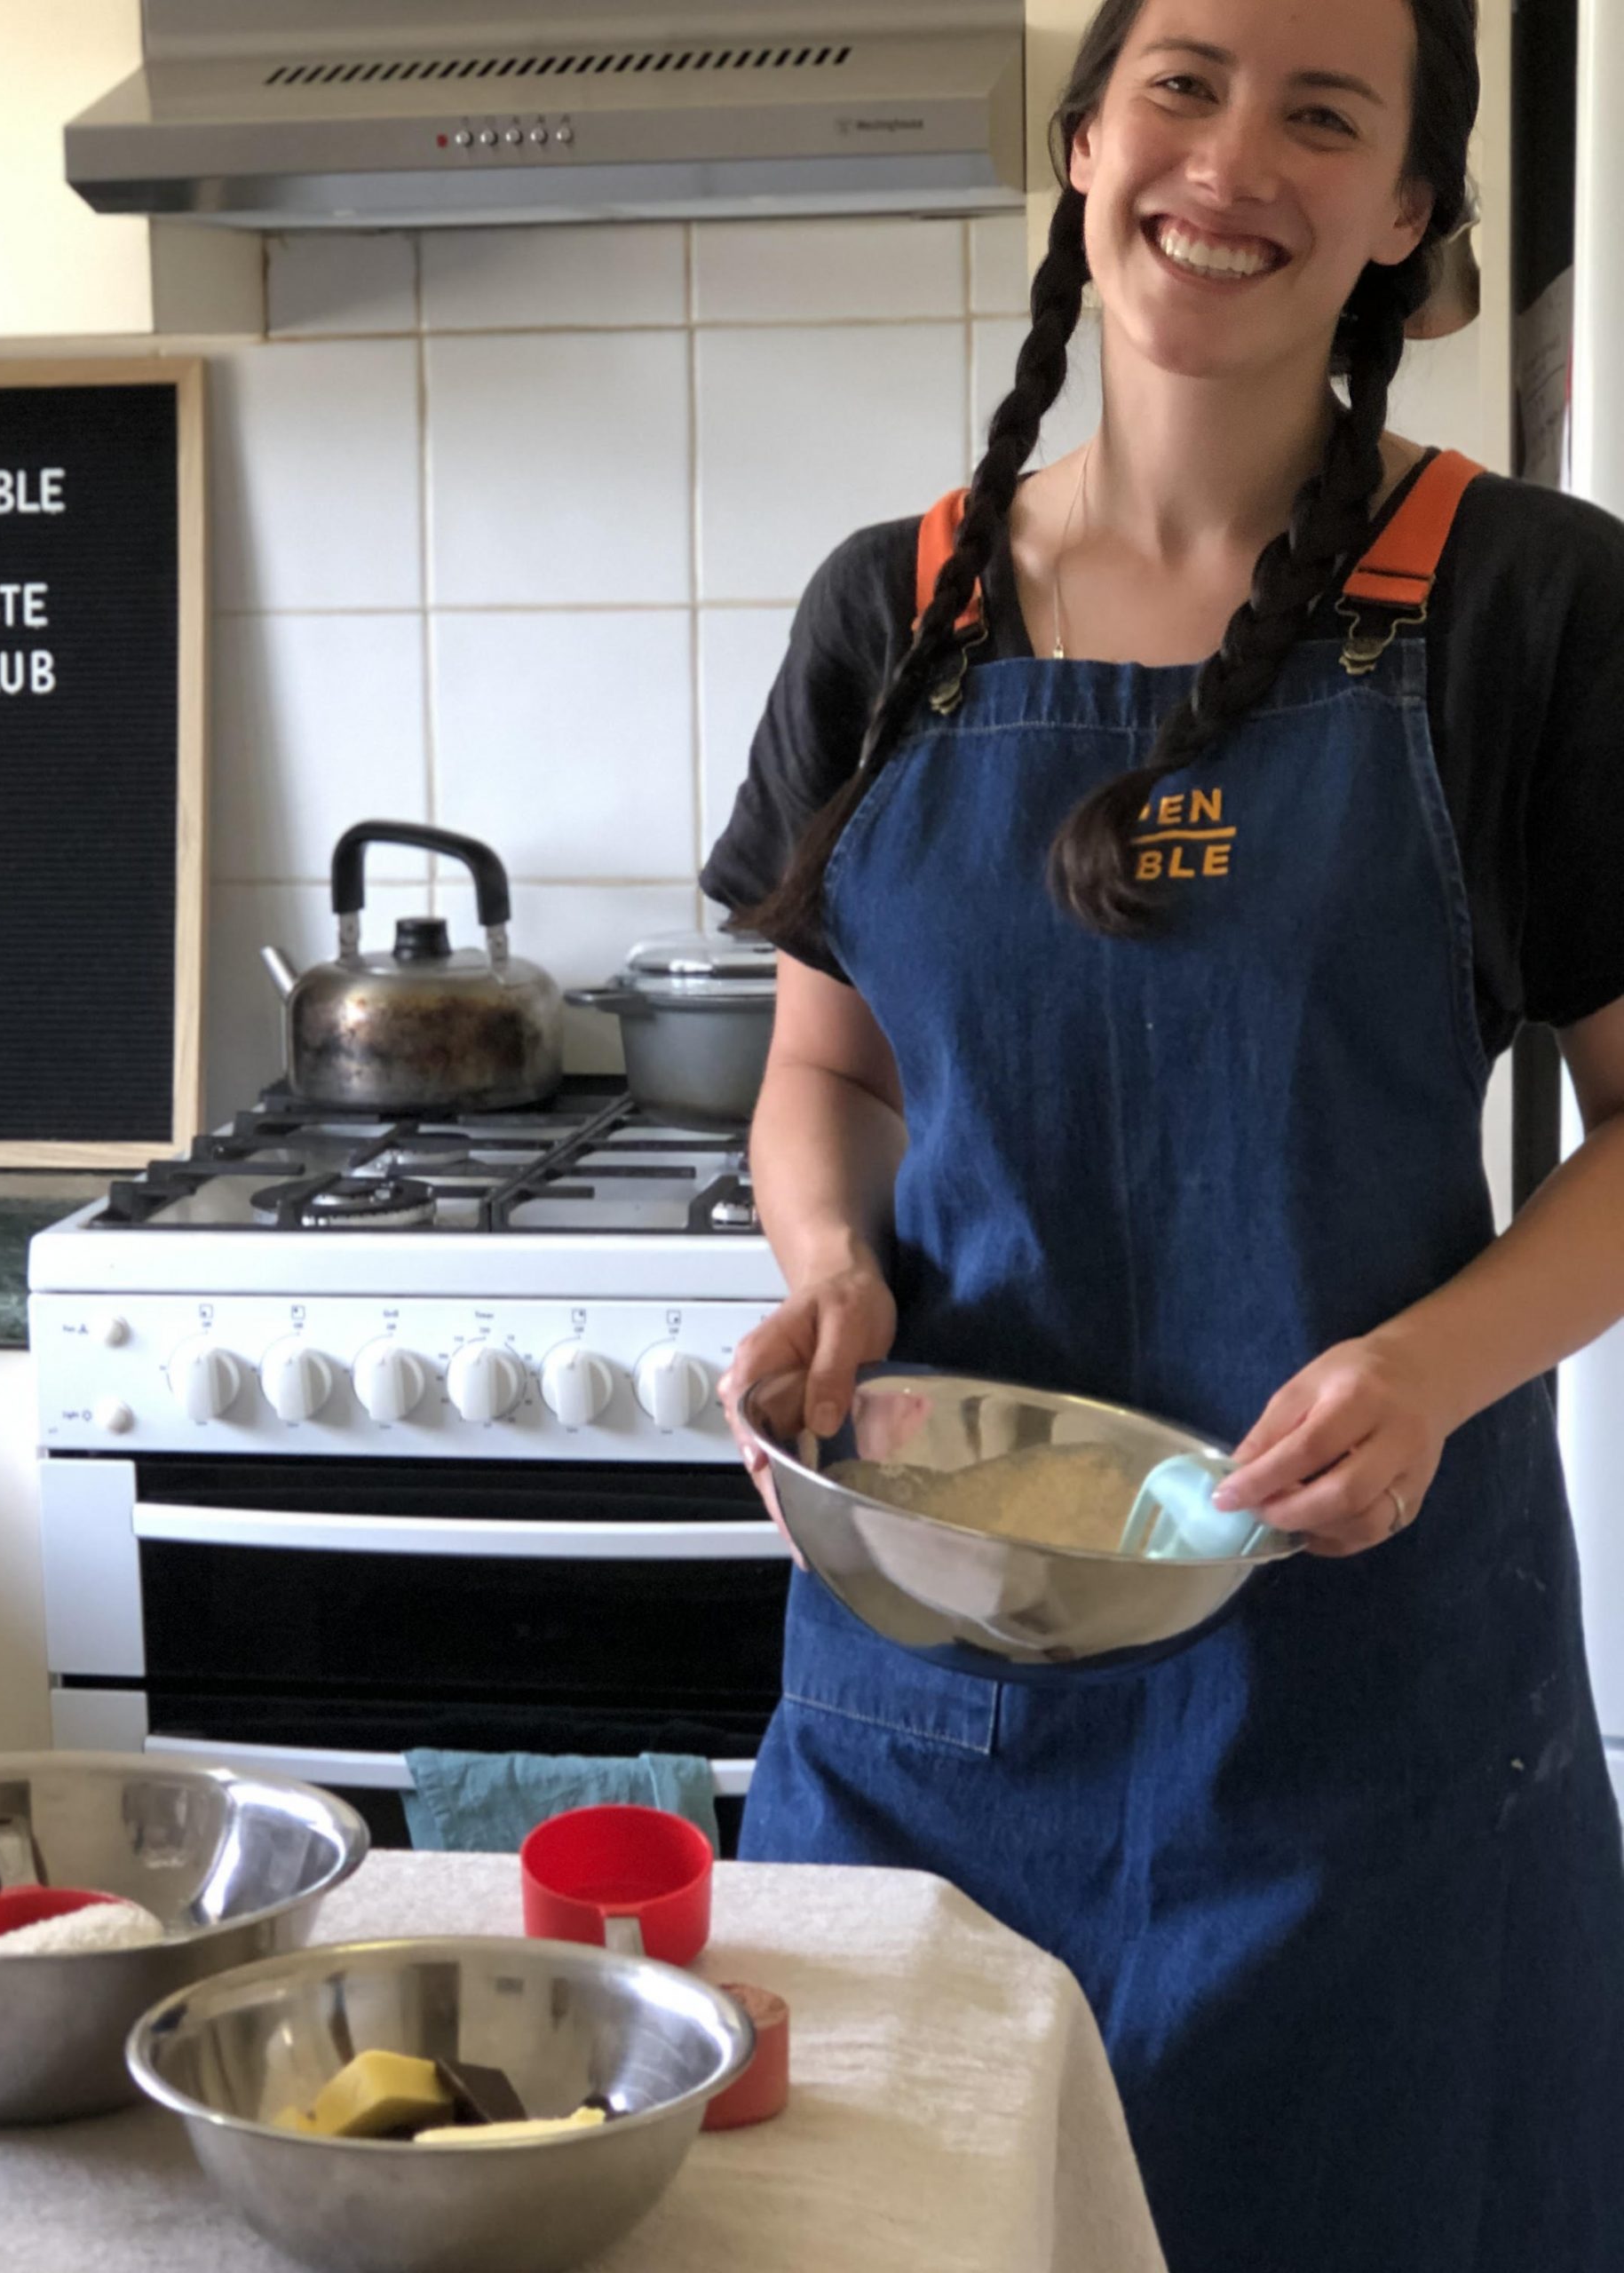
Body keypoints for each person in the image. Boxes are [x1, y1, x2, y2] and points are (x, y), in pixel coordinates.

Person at [704, 1, 1624, 2265]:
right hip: (927, 1712)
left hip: (1366, 1735)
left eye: (1323, 114)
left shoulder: (1526, 608)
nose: (1229, 158)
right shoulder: (885, 609)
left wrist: (1431, 1365)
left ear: (1407, 219)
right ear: (1086, 133)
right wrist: (826, 1262)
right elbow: (826, 1068)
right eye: (1182, 83)